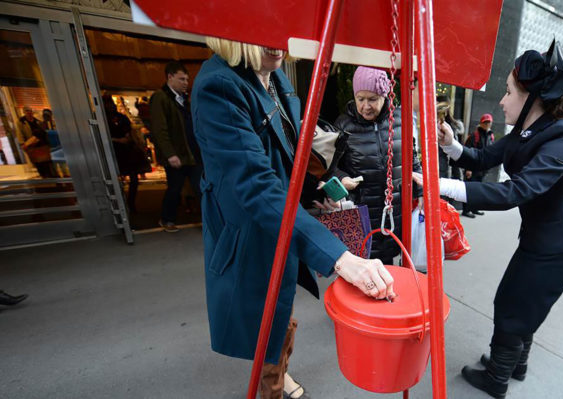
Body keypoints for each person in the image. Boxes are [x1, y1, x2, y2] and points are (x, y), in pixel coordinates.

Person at [192, 39, 396, 399]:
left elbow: (285, 160)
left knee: (280, 310)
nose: (277, 44)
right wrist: (340, 258)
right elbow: (256, 185)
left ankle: (279, 370)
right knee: (266, 317)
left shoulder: (273, 76)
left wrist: (317, 190)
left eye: (281, 31)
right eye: (263, 34)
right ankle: (271, 384)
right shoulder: (219, 85)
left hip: (281, 219)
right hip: (251, 230)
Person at [415, 41, 563, 398]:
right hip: (542, 239)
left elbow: (514, 193)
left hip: (559, 246)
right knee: (523, 301)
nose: (502, 100)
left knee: (513, 304)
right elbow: (481, 158)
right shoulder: (531, 131)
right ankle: (515, 364)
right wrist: (450, 145)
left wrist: (439, 185)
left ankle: (497, 377)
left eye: (508, 92)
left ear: (533, 99)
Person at [333, 66, 423, 265]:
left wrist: (421, 186)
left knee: (396, 272)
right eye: (360, 98)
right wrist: (341, 178)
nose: (365, 106)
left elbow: (413, 160)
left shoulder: (400, 119)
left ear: (385, 96)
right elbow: (332, 168)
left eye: (372, 99)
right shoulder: (343, 125)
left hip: (398, 212)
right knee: (366, 273)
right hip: (363, 213)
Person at [150, 62, 204, 232]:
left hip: (192, 154)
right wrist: (170, 154)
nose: (185, 82)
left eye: (187, 79)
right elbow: (160, 130)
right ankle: (167, 219)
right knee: (175, 189)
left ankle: (208, 219)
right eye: (181, 79)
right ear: (170, 77)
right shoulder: (161, 98)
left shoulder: (182, 100)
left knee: (201, 187)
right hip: (177, 155)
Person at [103, 95, 151, 212]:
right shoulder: (104, 119)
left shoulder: (118, 118)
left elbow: (128, 133)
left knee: (132, 178)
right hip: (115, 150)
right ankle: (125, 203)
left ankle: (129, 203)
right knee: (124, 178)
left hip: (124, 151)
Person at [461, 114, 495, 218]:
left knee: (478, 189)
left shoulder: (490, 135)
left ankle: (474, 208)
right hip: (473, 168)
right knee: (469, 189)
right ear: (481, 123)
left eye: (488, 122)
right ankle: (466, 210)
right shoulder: (474, 136)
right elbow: (467, 152)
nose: (487, 124)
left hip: (482, 168)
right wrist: (468, 169)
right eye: (485, 122)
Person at [18, 106, 55, 178]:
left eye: (30, 111)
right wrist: (23, 143)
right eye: (27, 111)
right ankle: (44, 177)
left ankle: (50, 177)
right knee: (38, 164)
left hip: (41, 145)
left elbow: (43, 133)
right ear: (24, 112)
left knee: (47, 163)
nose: (29, 112)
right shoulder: (21, 122)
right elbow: (20, 134)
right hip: (32, 146)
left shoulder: (37, 121)